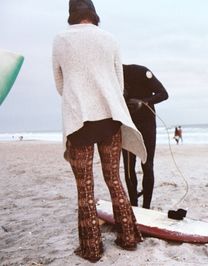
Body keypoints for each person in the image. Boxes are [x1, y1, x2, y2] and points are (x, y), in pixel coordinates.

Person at [52, 0, 147, 262]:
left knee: (85, 187)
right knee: (114, 180)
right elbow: (119, 82)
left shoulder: (60, 39)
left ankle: (91, 249)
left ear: (72, 13)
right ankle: (128, 237)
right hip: (109, 117)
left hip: (79, 119)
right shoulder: (110, 39)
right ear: (94, 14)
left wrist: (81, 98)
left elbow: (60, 83)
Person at [122, 64, 168, 209]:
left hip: (147, 125)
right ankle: (134, 205)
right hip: (127, 126)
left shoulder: (141, 72)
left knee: (147, 165)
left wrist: (143, 102)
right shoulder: (111, 80)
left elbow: (163, 93)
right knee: (129, 168)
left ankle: (146, 207)